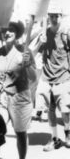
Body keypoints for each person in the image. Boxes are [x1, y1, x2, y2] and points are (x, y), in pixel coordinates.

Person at [0, 21, 36, 159]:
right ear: (1, 34)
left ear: (16, 33)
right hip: (2, 98)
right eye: (4, 30)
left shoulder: (25, 51)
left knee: (20, 134)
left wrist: (27, 65)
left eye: (11, 30)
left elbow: (33, 78)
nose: (7, 32)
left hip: (20, 98)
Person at [33, 10, 70, 151]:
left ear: (61, 17)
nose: (54, 19)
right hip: (46, 78)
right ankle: (55, 139)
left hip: (63, 78)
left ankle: (68, 134)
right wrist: (39, 43)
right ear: (48, 17)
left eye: (57, 16)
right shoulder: (43, 33)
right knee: (50, 110)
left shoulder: (66, 33)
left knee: (66, 111)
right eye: (51, 16)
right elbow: (31, 54)